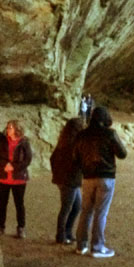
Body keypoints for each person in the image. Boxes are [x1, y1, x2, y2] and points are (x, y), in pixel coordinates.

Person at [72, 106, 127, 258]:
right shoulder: (109, 134)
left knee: (86, 211)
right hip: (106, 176)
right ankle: (97, 247)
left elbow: (75, 157)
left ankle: (81, 245)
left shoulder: (82, 135)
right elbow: (122, 153)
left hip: (88, 177)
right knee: (100, 212)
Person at [0, 120, 32, 239]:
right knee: (2, 204)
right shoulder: (3, 141)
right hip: (3, 177)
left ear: (16, 129)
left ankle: (21, 228)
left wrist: (14, 167)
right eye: (7, 127)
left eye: (10, 128)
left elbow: (27, 159)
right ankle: (1, 227)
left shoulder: (24, 142)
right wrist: (4, 165)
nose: (8, 129)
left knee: (19, 204)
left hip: (18, 178)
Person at [51, 118, 85, 244]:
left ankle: (67, 232)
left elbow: (52, 158)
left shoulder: (63, 142)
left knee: (76, 206)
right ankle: (61, 235)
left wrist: (57, 173)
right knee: (67, 208)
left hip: (65, 179)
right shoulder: (74, 144)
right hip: (69, 180)